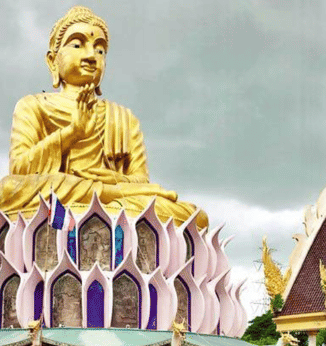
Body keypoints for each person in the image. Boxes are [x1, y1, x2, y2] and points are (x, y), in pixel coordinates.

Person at [0, 6, 206, 228]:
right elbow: (20, 169)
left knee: (196, 217)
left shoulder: (123, 117)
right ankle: (104, 201)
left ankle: (102, 203)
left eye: (99, 50)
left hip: (119, 199)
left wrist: (108, 182)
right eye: (77, 45)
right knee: (7, 189)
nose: (91, 56)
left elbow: (141, 180)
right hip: (62, 196)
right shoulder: (33, 105)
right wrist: (72, 133)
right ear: (52, 61)